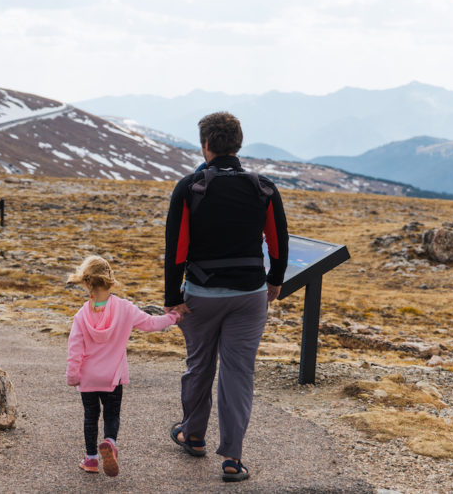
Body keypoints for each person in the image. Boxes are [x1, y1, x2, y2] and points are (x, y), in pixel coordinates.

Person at [164, 111, 288, 483]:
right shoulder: (262, 187)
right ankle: (233, 458)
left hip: (200, 295)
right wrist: (275, 279)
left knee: (199, 364)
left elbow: (176, 248)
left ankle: (193, 434)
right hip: (250, 295)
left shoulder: (190, 186)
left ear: (205, 145)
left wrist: (173, 296)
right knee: (238, 373)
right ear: (238, 143)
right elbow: (277, 239)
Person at [66, 255, 180, 477]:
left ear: (87, 283)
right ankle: (110, 442)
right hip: (113, 377)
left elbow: (74, 350)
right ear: (111, 281)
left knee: (90, 416)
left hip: (88, 378)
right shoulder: (125, 308)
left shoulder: (81, 316)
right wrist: (173, 317)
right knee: (111, 415)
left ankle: (90, 459)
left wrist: (73, 376)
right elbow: (150, 323)